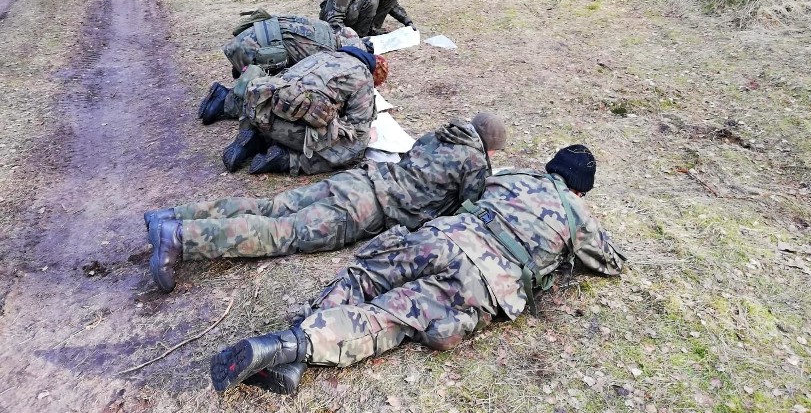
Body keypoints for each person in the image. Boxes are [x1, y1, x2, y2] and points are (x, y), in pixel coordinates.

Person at [208, 145, 627, 394]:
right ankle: (290, 346)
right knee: (393, 315)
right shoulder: (578, 215)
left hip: (440, 236)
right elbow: (609, 263)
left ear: (551, 167)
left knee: (366, 276)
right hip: (480, 278)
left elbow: (478, 191)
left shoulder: (514, 174)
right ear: (579, 189)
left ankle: (294, 354)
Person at [145, 113, 507, 293]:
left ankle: (169, 217)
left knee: (270, 207)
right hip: (365, 210)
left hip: (359, 179)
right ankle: (181, 238)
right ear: (489, 148)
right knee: (280, 233)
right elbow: (470, 212)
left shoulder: (436, 135)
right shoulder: (474, 162)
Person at [221, 46, 387, 178]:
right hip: (284, 124)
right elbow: (359, 128)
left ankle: (251, 137)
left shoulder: (323, 55)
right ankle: (287, 160)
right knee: (355, 150)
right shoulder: (362, 75)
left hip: (257, 111)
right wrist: (368, 135)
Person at [198, 12, 371, 125]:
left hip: (246, 39)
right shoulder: (324, 52)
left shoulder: (325, 30)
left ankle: (238, 84)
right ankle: (224, 100)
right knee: (272, 95)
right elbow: (299, 80)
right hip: (249, 49)